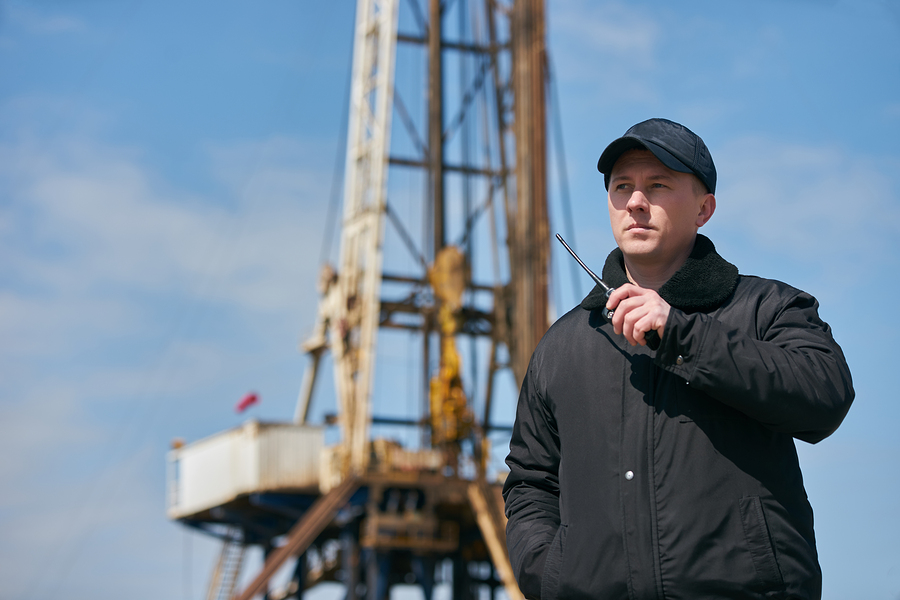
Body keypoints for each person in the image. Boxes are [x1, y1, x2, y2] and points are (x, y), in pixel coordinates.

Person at [502, 118, 854, 600]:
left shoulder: (767, 309)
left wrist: (682, 335)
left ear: (704, 208)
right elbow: (530, 483)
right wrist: (552, 574)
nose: (636, 202)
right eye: (622, 187)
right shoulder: (562, 346)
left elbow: (824, 396)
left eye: (658, 185)